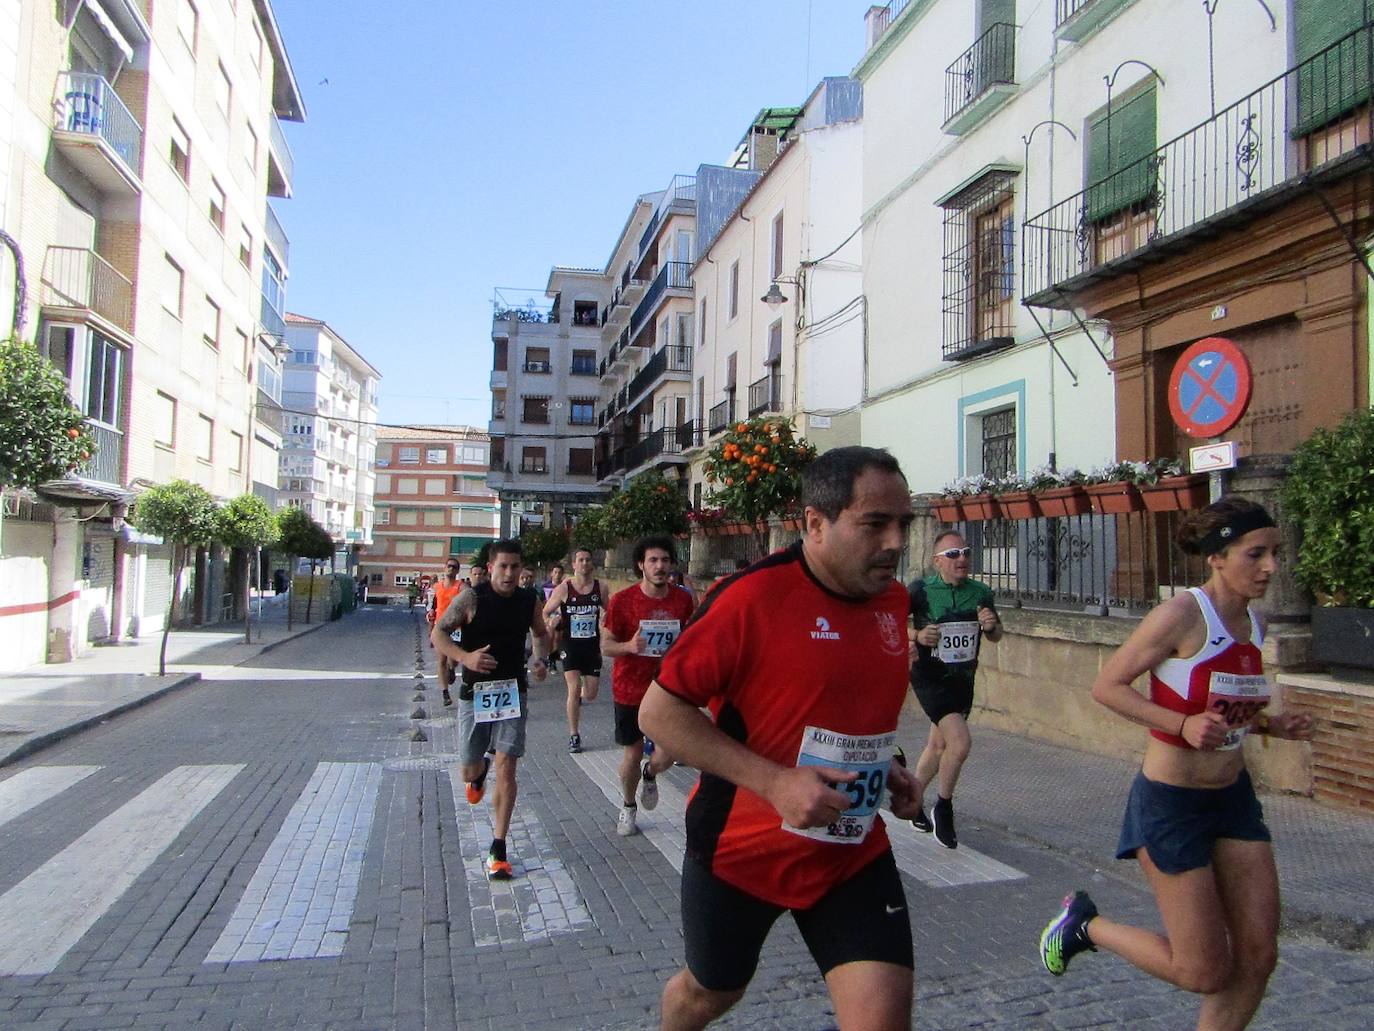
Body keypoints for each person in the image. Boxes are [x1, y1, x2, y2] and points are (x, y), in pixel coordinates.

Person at [640, 446, 924, 1031]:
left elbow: (845, 708)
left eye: (904, 524)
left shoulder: (893, 601)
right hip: (742, 852)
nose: (895, 541)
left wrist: (887, 764)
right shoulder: (750, 600)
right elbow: (659, 714)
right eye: (875, 524)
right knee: (709, 994)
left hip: (849, 850)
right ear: (814, 523)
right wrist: (773, 782)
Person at [1038, 498, 1313, 1030]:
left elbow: (1224, 704)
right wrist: (1180, 725)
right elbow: (1107, 686)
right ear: (1217, 557)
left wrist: (1270, 725)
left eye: (1275, 553)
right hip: (1172, 804)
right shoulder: (1181, 615)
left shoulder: (1256, 622)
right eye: (1256, 554)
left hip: (1233, 801)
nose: (1271, 567)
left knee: (1259, 957)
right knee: (1203, 970)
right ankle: (1084, 927)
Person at [432, 539, 551, 880]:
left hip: (512, 690)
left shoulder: (529, 600)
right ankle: (478, 769)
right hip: (475, 692)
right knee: (469, 772)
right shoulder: (472, 598)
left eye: (515, 566)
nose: (510, 573)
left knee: (508, 767)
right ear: (490, 568)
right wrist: (465, 657)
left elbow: (542, 634)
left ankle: (498, 847)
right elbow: (439, 634)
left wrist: (540, 659)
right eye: (503, 566)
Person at [905, 529, 1002, 848]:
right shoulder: (919, 590)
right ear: (937, 562)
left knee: (937, 745)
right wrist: (916, 636)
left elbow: (996, 634)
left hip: (963, 679)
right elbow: (892, 623)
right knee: (959, 743)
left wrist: (991, 626)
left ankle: (912, 799)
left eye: (966, 552)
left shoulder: (980, 592)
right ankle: (943, 807)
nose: (962, 559)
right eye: (953, 554)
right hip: (929, 676)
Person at [601, 536, 695, 837]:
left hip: (667, 688)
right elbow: (606, 645)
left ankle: (650, 772)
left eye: (665, 560)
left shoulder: (682, 600)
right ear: (641, 565)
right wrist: (629, 645)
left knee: (669, 751)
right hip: (629, 688)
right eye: (653, 560)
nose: (659, 566)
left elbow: (692, 637)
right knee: (632, 751)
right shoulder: (623, 600)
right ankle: (628, 806)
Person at [542, 547, 606, 754]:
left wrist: (607, 620)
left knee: (591, 694)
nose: (585, 563)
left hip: (592, 646)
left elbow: (612, 611)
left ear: (592, 564)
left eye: (588, 560)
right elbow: (545, 611)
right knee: (573, 690)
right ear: (574, 564)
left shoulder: (600, 588)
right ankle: (574, 735)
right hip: (570, 645)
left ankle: (581, 684)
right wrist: (550, 620)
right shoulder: (564, 588)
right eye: (581, 560)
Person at [428, 559, 465, 707]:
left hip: (456, 627)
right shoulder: (437, 587)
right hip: (441, 627)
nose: (451, 569)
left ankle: (452, 668)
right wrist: (431, 624)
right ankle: (445, 693)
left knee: (453, 659)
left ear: (457, 571)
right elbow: (432, 606)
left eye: (454, 567)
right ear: (444, 568)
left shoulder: (461, 587)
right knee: (441, 660)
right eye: (448, 566)